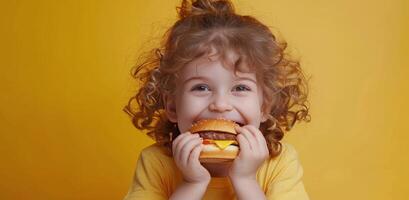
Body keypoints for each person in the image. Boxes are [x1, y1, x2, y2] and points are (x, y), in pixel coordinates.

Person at [123, 0, 311, 199]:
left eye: (240, 88)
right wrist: (192, 183)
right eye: (201, 87)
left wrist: (246, 180)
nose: (220, 105)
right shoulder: (156, 163)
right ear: (172, 106)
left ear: (264, 106)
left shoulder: (280, 163)